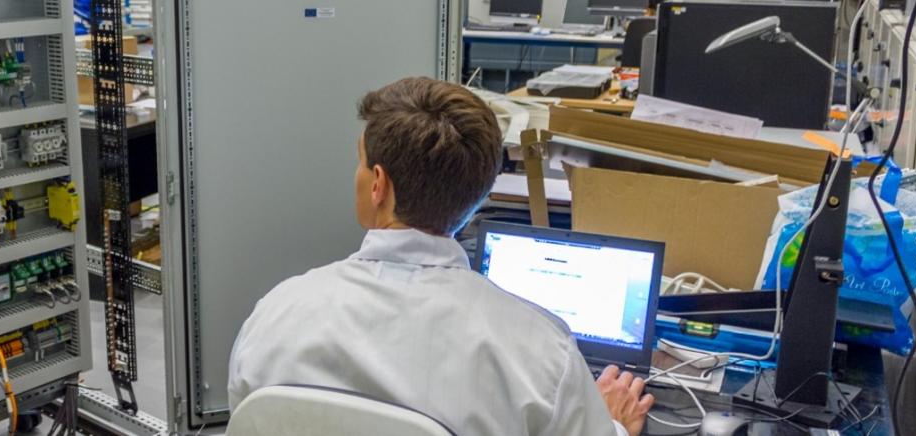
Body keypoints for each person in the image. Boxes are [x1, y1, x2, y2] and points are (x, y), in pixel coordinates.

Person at [227, 77, 654, 435]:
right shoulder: (541, 354)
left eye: (359, 163)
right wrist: (613, 425)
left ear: (378, 184)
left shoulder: (274, 315)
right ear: (480, 195)